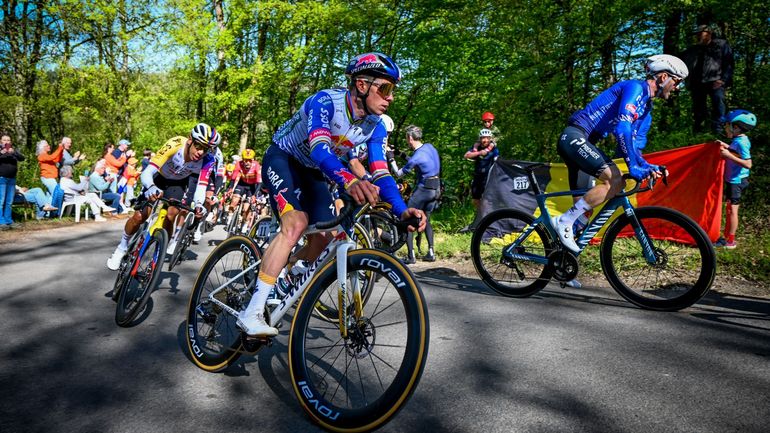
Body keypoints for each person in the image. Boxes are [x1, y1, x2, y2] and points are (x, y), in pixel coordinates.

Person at [235, 52, 426, 337]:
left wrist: (402, 210)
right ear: (362, 85)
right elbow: (320, 149)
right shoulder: (326, 102)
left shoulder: (375, 125)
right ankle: (251, 311)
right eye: (385, 88)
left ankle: (283, 277)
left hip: (314, 172)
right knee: (296, 223)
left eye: (393, 91)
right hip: (284, 158)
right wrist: (349, 181)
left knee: (324, 238)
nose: (391, 97)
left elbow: (381, 172)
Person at [553, 54, 688, 253]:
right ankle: (562, 220)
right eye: (677, 82)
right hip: (574, 136)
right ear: (663, 77)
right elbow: (622, 129)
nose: (677, 88)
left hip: (584, 143)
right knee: (615, 180)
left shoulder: (646, 110)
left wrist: (648, 167)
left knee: (583, 214)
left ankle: (560, 262)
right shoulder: (635, 88)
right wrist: (632, 166)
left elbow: (633, 146)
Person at [106, 123, 220, 270]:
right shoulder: (176, 144)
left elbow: (201, 187)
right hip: (158, 177)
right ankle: (121, 248)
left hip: (177, 183)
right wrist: (151, 187)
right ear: (190, 140)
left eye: (205, 149)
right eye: (198, 146)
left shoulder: (208, 160)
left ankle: (159, 253)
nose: (200, 152)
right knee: (140, 216)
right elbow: (148, 172)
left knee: (172, 214)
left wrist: (199, 204)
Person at [390, 125, 441, 263]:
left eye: (407, 139)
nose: (407, 141)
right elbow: (423, 163)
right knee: (426, 218)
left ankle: (411, 255)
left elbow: (399, 173)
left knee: (408, 217)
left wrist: (391, 159)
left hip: (424, 189)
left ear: (410, 138)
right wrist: (401, 154)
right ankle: (431, 252)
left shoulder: (416, 157)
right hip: (436, 188)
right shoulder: (429, 147)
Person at [714, 109, 756, 249]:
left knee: (733, 210)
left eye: (728, 125)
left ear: (736, 127)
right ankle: (727, 237)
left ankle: (730, 241)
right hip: (733, 180)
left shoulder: (742, 142)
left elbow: (748, 163)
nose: (726, 128)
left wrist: (728, 155)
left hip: (736, 182)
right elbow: (736, 153)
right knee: (729, 209)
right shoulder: (738, 140)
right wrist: (725, 146)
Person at [681, 25, 734, 133]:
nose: (697, 36)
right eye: (697, 34)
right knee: (698, 109)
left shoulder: (721, 44)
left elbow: (729, 63)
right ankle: (698, 132)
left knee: (718, 104)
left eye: (700, 33)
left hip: (715, 81)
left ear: (709, 33)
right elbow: (681, 61)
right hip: (697, 83)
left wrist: (723, 80)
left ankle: (718, 132)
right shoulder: (693, 49)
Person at [460, 128, 499, 233]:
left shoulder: (494, 149)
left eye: (486, 138)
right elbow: (467, 155)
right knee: (475, 200)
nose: (484, 140)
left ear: (490, 139)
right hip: (477, 176)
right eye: (482, 138)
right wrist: (480, 152)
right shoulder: (476, 147)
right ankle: (480, 219)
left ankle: (487, 222)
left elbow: (498, 161)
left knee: (486, 200)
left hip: (488, 177)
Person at [226, 148, 262, 234]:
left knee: (246, 208)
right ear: (243, 159)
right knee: (234, 200)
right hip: (242, 184)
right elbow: (233, 177)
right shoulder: (239, 164)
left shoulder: (256, 165)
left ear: (252, 160)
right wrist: (230, 188)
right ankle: (230, 219)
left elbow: (259, 182)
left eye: (249, 160)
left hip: (252, 186)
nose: (247, 162)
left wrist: (254, 195)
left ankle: (245, 224)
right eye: (245, 160)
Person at [0, 134, 26, 229]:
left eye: (8, 140)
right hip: (1, 178)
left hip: (12, 179)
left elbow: (22, 158)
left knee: (9, 202)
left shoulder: (13, 150)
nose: (6, 141)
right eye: (4, 140)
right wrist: (2, 153)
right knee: (1, 201)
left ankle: (9, 221)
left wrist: (13, 153)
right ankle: (1, 222)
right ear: (1, 141)